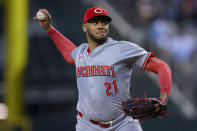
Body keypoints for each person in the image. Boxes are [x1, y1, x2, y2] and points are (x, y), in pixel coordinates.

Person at [34, 7, 172, 131]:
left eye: (104, 22)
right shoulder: (80, 52)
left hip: (122, 123)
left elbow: (162, 67)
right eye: (95, 22)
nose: (100, 25)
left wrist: (163, 98)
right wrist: (49, 29)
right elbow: (69, 53)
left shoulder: (122, 48)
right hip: (86, 125)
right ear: (84, 27)